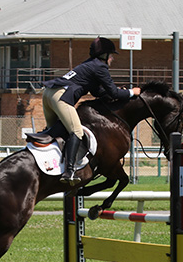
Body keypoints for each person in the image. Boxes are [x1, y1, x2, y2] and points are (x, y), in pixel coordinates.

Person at [42, 37, 141, 185]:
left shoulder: (89, 65)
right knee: (76, 132)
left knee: (52, 133)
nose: (112, 58)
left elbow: (98, 92)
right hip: (60, 96)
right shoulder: (100, 67)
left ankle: (46, 165)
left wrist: (117, 92)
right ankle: (69, 172)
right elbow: (113, 93)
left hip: (48, 93)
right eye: (111, 55)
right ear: (104, 55)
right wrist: (131, 92)